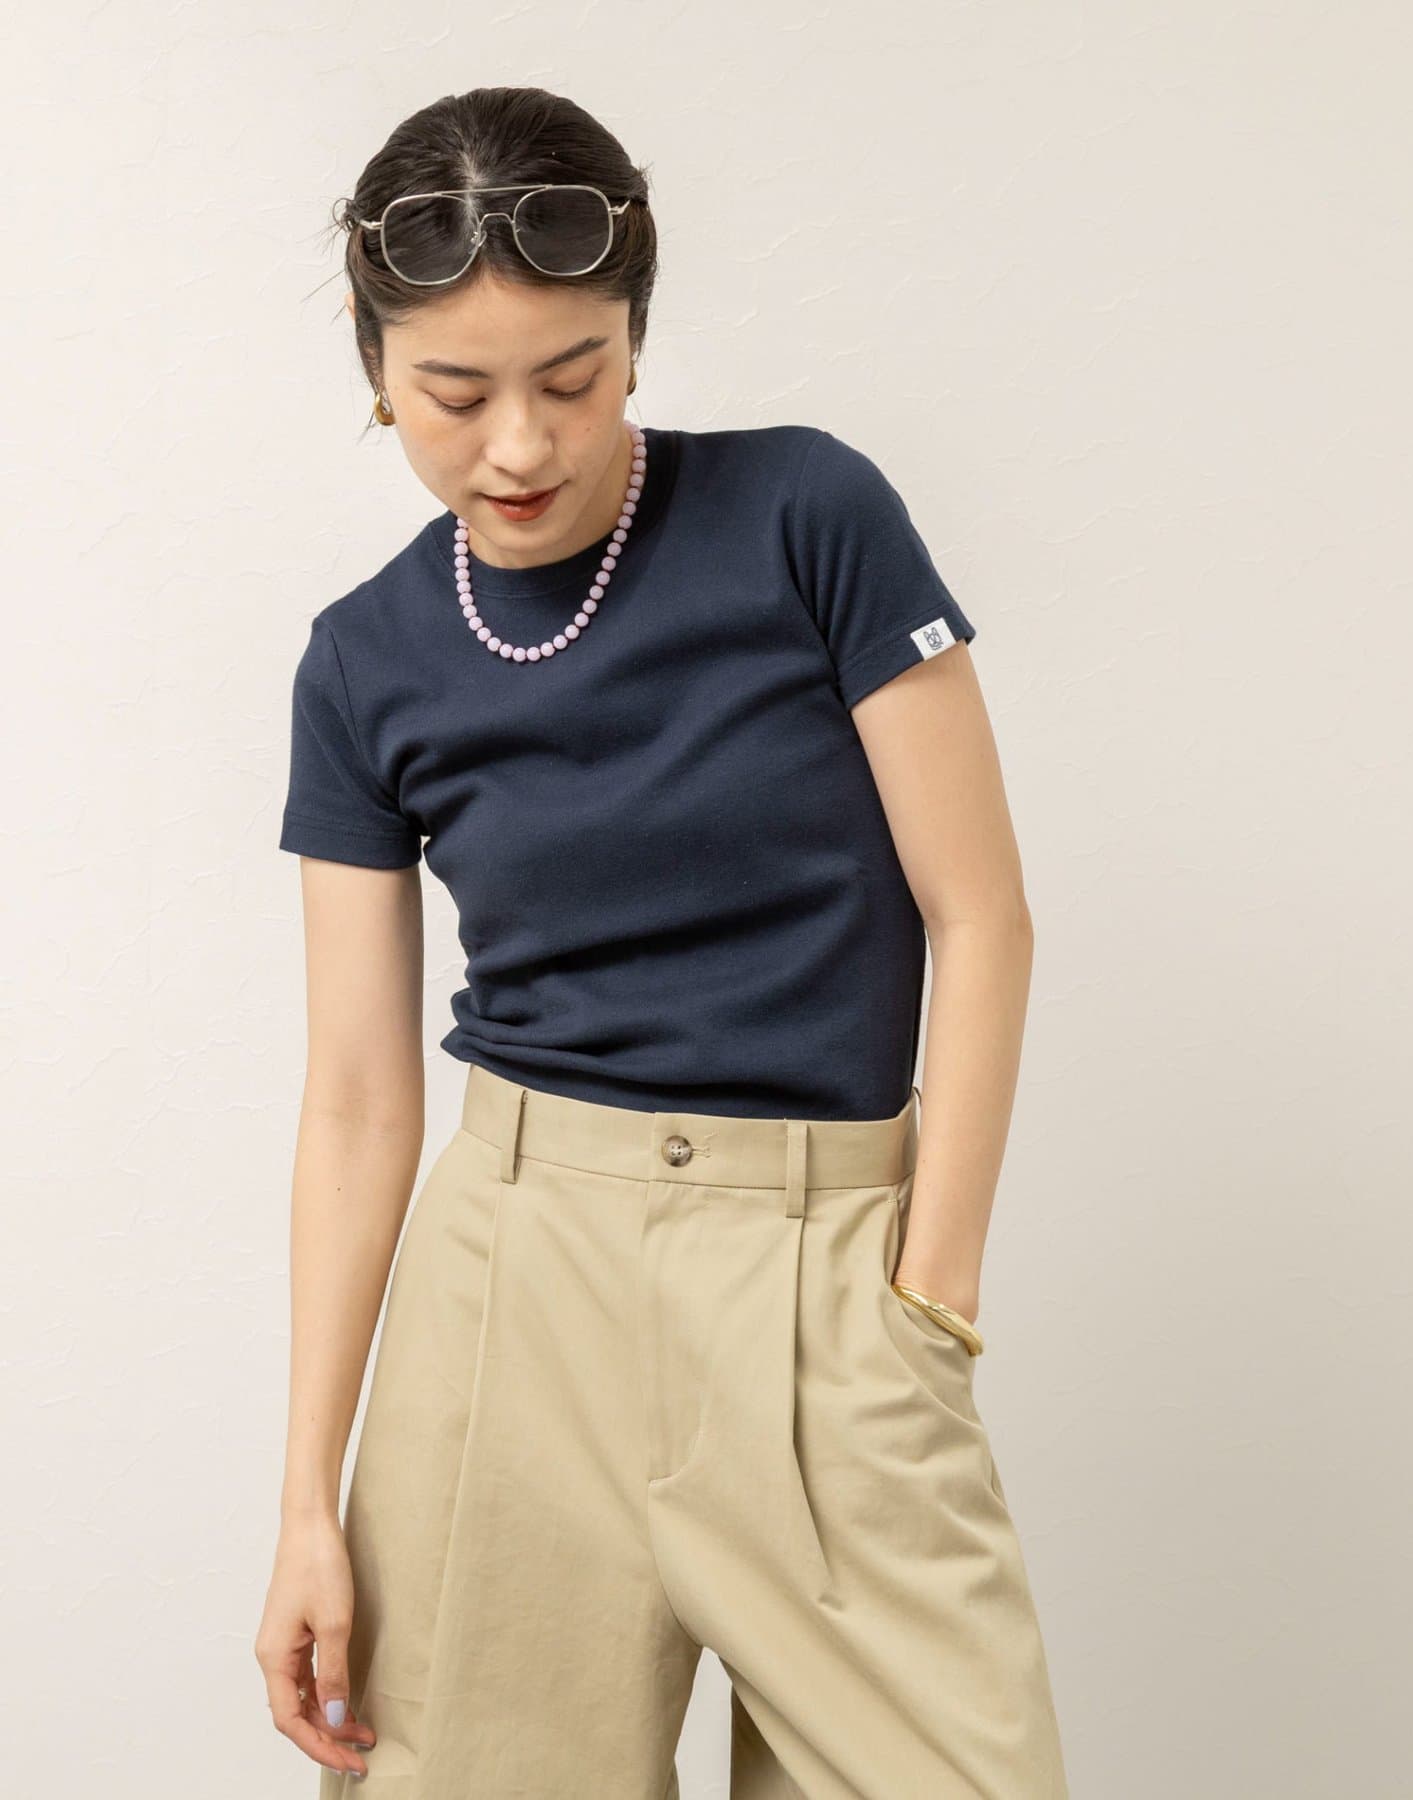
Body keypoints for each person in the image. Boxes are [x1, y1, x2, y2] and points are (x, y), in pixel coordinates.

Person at [255, 83, 1071, 1798]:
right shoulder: (361, 661)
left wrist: (931, 1297)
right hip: (509, 1293)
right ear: (376, 368)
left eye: (576, 378)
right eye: (455, 396)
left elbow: (979, 912)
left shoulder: (809, 515)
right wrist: (305, 1503)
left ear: (635, 334)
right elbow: (356, 1100)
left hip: (823, 1280)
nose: (521, 447)